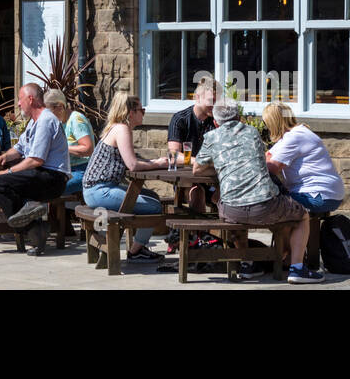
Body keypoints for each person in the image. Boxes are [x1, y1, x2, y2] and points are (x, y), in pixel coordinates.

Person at [196, 96, 320, 283]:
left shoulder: (211, 137)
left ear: (215, 122)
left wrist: (223, 165)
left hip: (232, 211)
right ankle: (297, 269)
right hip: (266, 207)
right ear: (239, 118)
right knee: (302, 215)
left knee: (220, 200)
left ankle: (247, 263)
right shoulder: (252, 133)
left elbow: (197, 169)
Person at [81, 93, 169, 260]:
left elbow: (131, 160)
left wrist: (152, 162)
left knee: (153, 196)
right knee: (154, 206)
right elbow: (133, 165)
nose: (143, 113)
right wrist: (158, 163)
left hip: (96, 189)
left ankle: (137, 247)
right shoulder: (122, 129)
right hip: (100, 190)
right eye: (141, 110)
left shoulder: (116, 127)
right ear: (130, 113)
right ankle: (136, 250)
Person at [0, 83, 70, 255]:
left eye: (20, 99)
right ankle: (33, 222)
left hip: (52, 179)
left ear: (31, 99)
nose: (18, 104)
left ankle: (31, 227)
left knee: (0, 182)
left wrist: (8, 172)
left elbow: (35, 160)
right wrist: (4, 157)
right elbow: (19, 148)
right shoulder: (34, 122)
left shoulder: (45, 121)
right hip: (38, 175)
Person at [262, 103, 345, 216]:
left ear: (273, 123)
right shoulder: (297, 133)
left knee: (268, 204)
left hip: (317, 196)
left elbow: (271, 168)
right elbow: (269, 155)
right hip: (327, 194)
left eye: (266, 124)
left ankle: (294, 232)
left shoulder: (294, 137)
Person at [169, 77, 218, 213]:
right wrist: (198, 161)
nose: (214, 105)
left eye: (217, 101)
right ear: (197, 98)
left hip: (212, 178)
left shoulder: (216, 120)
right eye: (211, 101)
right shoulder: (181, 119)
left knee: (227, 196)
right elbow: (172, 156)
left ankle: (228, 234)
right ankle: (199, 234)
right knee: (197, 192)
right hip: (186, 178)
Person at [43, 88, 94, 196]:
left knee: (50, 190)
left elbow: (88, 149)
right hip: (64, 170)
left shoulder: (76, 120)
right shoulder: (59, 121)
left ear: (60, 106)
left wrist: (62, 147)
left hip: (82, 171)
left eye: (50, 112)